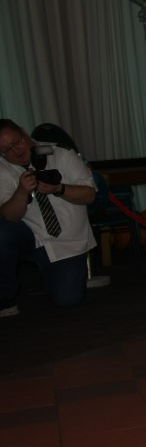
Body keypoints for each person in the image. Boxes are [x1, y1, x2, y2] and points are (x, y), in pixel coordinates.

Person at [0, 119, 97, 315]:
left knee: (68, 300)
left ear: (24, 132)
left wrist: (59, 189)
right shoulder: (2, 168)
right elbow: (8, 216)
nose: (16, 151)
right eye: (7, 150)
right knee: (2, 232)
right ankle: (4, 298)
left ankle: (56, 276)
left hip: (67, 243)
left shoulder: (61, 153)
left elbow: (89, 195)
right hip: (31, 237)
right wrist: (21, 191)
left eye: (17, 142)